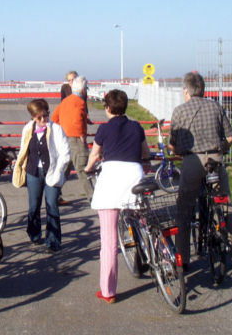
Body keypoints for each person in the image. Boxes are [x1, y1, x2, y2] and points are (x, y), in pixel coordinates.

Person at [169, 72, 232, 271]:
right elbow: (229, 137)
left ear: (186, 91)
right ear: (203, 89)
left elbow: (175, 146)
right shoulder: (215, 107)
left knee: (184, 210)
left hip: (192, 161)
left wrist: (176, 150)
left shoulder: (179, 111)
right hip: (215, 160)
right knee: (225, 206)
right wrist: (221, 150)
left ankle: (183, 259)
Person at [84, 89, 150, 303]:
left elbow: (95, 154)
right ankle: (158, 259)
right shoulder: (137, 127)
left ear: (108, 108)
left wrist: (87, 168)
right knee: (144, 225)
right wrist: (145, 163)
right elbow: (145, 153)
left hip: (111, 181)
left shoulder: (104, 129)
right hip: (134, 178)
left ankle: (108, 291)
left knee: (109, 241)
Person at [13, 99, 71, 253]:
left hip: (52, 171)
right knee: (34, 205)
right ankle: (34, 234)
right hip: (33, 172)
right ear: (32, 117)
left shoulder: (56, 129)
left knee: (52, 205)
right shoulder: (27, 129)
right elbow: (23, 150)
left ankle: (53, 241)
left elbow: (65, 153)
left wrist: (58, 172)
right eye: (39, 117)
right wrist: (18, 167)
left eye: (45, 116)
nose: (43, 120)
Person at [52, 76, 94, 203]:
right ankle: (93, 197)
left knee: (65, 169)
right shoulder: (79, 102)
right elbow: (76, 119)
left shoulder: (65, 101)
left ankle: (54, 195)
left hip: (65, 139)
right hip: (76, 140)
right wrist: (81, 134)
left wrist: (64, 128)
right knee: (83, 169)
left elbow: (54, 118)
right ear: (83, 90)